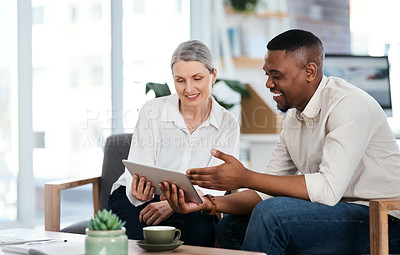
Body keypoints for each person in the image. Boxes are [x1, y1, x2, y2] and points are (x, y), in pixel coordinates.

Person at [160, 29, 400, 254]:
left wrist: (244, 177)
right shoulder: (295, 117)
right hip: (335, 213)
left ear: (310, 72)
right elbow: (265, 193)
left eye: (277, 76)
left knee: (272, 215)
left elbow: (327, 189)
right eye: (267, 74)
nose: (268, 84)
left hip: (381, 219)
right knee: (231, 226)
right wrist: (207, 202)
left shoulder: (349, 104)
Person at [107, 39, 240, 247]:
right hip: (140, 197)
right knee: (135, 236)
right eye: (180, 80)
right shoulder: (152, 111)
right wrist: (141, 195)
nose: (189, 89)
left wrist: (173, 204)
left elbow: (217, 183)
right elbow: (139, 168)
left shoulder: (227, 123)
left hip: (195, 202)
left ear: (213, 75)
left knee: (201, 228)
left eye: (197, 78)